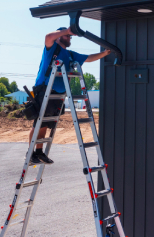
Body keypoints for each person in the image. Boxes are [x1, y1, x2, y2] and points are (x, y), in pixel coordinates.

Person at [29, 26, 111, 164]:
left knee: (46, 123)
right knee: (38, 122)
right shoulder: (52, 48)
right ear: (60, 36)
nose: (69, 38)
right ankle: (30, 153)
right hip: (44, 90)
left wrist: (105, 54)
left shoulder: (70, 54)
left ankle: (39, 152)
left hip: (58, 95)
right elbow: (48, 37)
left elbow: (89, 58)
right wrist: (67, 30)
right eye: (67, 36)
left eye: (70, 37)